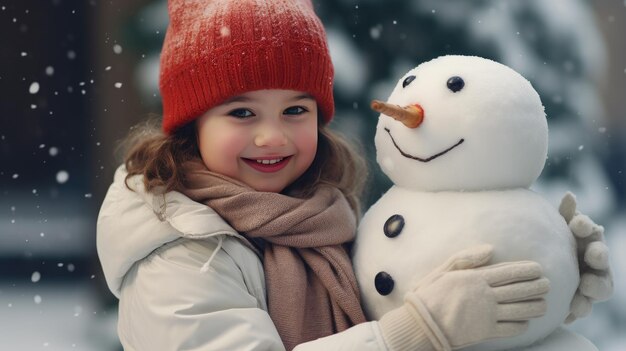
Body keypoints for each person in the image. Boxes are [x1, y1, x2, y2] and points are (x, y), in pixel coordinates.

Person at [96, 0, 612, 350]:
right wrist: (418, 330)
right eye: (242, 113)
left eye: (296, 111)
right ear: (192, 126)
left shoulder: (321, 214)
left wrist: (542, 276)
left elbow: (394, 297)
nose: (272, 136)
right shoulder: (178, 248)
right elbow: (408, 326)